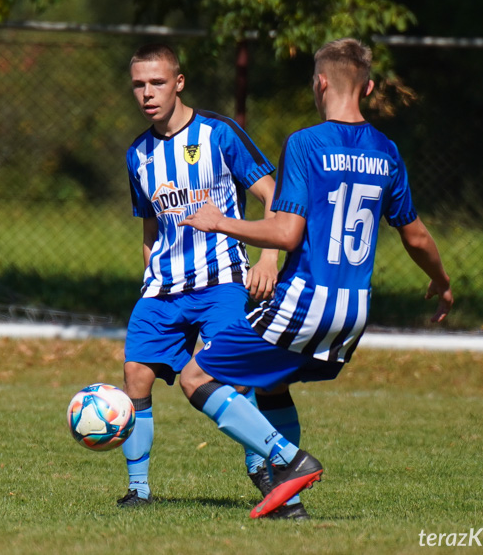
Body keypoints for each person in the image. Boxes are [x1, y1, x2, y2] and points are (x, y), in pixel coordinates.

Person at [177, 37, 454, 519]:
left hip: (305, 299)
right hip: (354, 310)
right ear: (366, 87)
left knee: (196, 376)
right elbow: (416, 236)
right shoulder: (386, 151)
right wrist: (442, 281)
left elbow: (285, 233)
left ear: (320, 82)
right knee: (272, 385)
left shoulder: (306, 143)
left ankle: (289, 461)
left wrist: (220, 221)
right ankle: (291, 505)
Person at [120, 43, 299, 512]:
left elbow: (273, 194)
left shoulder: (220, 133)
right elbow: (151, 226)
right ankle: (138, 491)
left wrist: (267, 259)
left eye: (157, 82)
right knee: (135, 374)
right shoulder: (137, 155)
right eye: (139, 84)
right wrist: (150, 281)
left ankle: (268, 468)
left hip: (222, 282)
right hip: (163, 289)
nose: (147, 93)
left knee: (233, 378)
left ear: (179, 82)